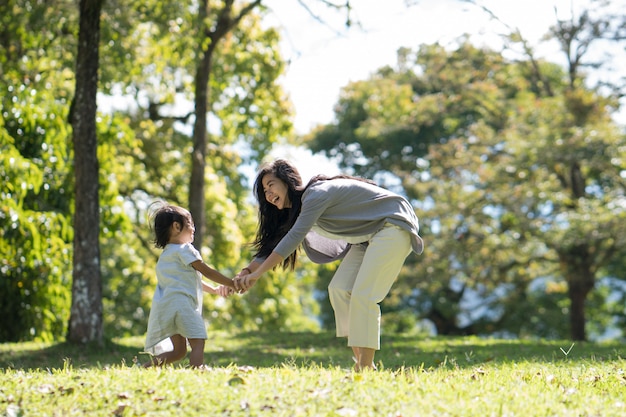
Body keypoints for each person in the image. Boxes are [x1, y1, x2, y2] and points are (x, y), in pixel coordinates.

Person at [233, 159, 424, 371]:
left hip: (392, 225)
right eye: (264, 191)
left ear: (287, 181)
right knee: (339, 289)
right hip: (366, 237)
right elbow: (276, 242)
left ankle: (365, 367)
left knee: (364, 294)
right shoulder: (297, 211)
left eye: (271, 185)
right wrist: (247, 271)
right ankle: (364, 365)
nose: (268, 194)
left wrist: (258, 274)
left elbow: (293, 238)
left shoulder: (315, 195)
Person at [143, 203, 235, 368]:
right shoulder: (185, 249)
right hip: (183, 305)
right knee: (198, 341)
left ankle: (144, 368)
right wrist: (231, 283)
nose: (194, 228)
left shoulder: (166, 255)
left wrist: (214, 290)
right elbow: (207, 271)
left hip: (166, 307)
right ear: (177, 226)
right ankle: (197, 369)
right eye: (190, 223)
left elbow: (192, 279)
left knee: (178, 351)